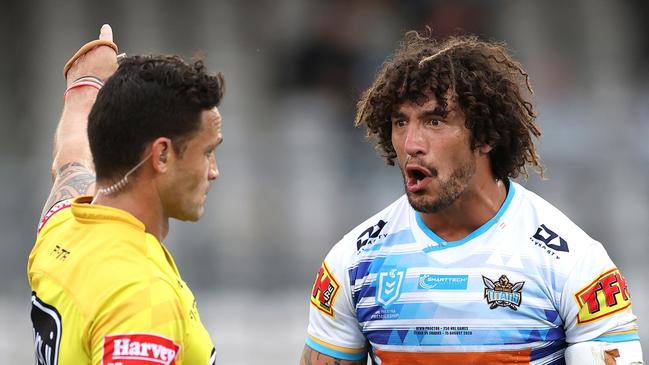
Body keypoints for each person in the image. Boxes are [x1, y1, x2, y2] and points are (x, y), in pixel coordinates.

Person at [301, 31, 643, 364]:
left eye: (434, 121)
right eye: (400, 122)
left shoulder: (573, 265)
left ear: (485, 136)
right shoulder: (354, 263)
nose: (411, 144)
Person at [28, 24, 224, 365]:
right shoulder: (139, 295)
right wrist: (84, 86)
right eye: (206, 152)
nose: (213, 171)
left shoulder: (62, 226)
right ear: (161, 155)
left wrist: (84, 85)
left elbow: (71, 162)